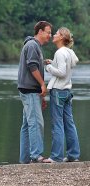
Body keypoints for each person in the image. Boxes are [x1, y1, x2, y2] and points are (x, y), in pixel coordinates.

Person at [43, 27, 80, 163]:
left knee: (57, 124)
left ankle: (56, 156)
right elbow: (67, 66)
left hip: (58, 91)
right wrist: (52, 63)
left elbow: (62, 72)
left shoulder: (59, 52)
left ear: (62, 37)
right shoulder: (69, 52)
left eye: (57, 33)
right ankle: (73, 155)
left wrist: (48, 67)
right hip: (67, 91)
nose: (54, 35)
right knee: (69, 124)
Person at [18, 21, 52, 164]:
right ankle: (36, 156)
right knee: (36, 123)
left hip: (30, 90)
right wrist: (42, 85)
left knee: (27, 124)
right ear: (40, 32)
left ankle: (25, 159)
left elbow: (35, 63)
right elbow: (32, 66)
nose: (49, 36)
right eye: (48, 32)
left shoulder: (34, 46)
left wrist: (43, 62)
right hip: (30, 90)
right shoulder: (32, 45)